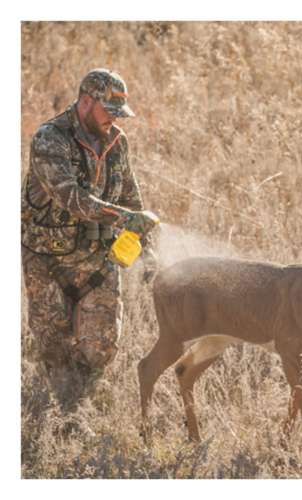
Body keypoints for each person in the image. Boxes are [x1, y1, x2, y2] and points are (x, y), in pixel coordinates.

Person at [22, 68, 159, 406]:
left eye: (119, 114)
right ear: (85, 102)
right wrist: (125, 218)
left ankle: (78, 407)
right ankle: (53, 414)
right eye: (108, 112)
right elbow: (71, 198)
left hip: (99, 259)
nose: (115, 121)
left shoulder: (117, 142)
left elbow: (130, 197)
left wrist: (147, 249)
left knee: (102, 346)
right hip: (48, 261)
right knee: (54, 350)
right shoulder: (49, 139)